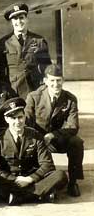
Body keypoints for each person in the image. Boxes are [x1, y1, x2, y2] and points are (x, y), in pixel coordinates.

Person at [0, 97, 68, 205]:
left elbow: (47, 164)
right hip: (10, 181)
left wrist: (30, 179)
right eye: (13, 118)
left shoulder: (35, 135)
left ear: (24, 117)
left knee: (60, 175)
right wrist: (14, 179)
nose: (17, 122)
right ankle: (39, 194)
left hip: (32, 179)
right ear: (6, 119)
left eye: (20, 117)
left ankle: (20, 197)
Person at [25, 64, 83, 197]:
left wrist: (53, 135)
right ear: (45, 81)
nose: (55, 84)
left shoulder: (70, 99)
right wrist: (37, 138)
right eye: (52, 80)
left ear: (63, 80)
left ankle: (73, 182)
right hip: (38, 140)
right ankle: (44, 183)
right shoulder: (34, 97)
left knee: (77, 142)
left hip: (57, 140)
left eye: (58, 80)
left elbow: (73, 126)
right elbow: (27, 122)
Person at [0, 3, 51, 97]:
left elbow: (46, 67)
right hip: (13, 91)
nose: (19, 21)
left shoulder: (39, 41)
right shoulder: (3, 43)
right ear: (11, 22)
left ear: (27, 19)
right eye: (15, 19)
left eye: (21, 18)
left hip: (34, 90)